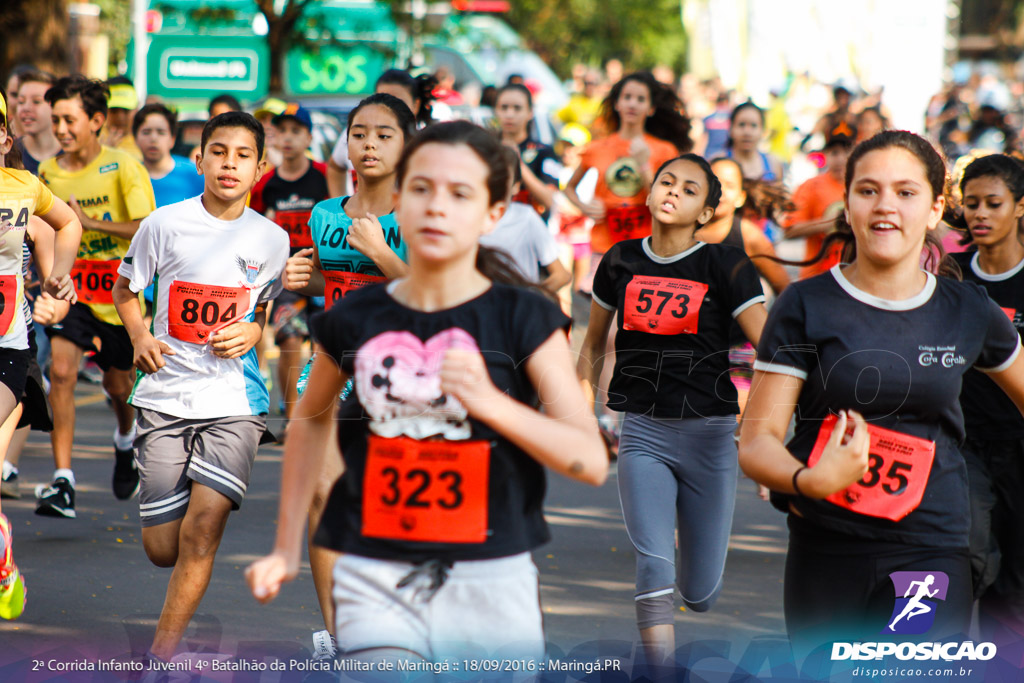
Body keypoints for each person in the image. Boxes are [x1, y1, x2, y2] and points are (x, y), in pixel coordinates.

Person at [246, 120, 607, 663]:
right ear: (397, 200)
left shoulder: (523, 318)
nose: (437, 206)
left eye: (460, 194)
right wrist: (284, 543)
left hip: (492, 578)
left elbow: (588, 459)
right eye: (421, 189)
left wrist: (490, 403)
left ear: (492, 214)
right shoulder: (355, 317)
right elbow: (312, 419)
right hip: (376, 574)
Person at [737, 130, 1024, 658]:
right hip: (826, 543)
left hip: (931, 545)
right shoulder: (805, 305)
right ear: (847, 204)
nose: (885, 205)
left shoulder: (968, 310)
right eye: (868, 190)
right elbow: (757, 442)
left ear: (937, 207)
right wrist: (809, 479)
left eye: (906, 192)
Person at [577, 154, 767, 666]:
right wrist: (578, 417)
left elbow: (772, 351)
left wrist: (760, 433)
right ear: (647, 192)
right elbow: (593, 345)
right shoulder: (618, 261)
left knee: (700, 594)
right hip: (643, 434)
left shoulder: (726, 266)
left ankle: (691, 567)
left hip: (711, 436)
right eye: (666, 182)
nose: (672, 192)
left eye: (689, 190)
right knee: (653, 568)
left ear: (705, 213)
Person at [112, 111, 288, 662]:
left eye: (242, 155)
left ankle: (161, 658)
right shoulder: (163, 224)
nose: (229, 164)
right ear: (201, 159)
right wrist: (140, 333)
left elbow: (264, 308)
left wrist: (255, 329)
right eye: (219, 152)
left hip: (234, 402)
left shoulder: (272, 238)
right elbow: (124, 289)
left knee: (203, 529)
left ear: (261, 168)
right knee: (164, 548)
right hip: (164, 395)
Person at [281, 92, 414, 660]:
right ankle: (340, 641)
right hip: (330, 366)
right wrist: (299, 276)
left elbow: (436, 295)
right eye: (360, 133)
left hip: (403, 375)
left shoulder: (421, 214)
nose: (369, 145)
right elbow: (328, 283)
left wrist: (382, 252)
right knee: (320, 492)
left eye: (385, 135)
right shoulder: (326, 213)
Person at [36, 75, 156, 517]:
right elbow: (43, 231)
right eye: (56, 121)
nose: (61, 129)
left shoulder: (123, 167)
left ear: (97, 120)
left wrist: (93, 224)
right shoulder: (46, 172)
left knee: (117, 386)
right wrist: (51, 278)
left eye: (70, 119)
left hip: (120, 294)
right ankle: (63, 480)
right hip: (74, 290)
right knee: (63, 371)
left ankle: (125, 439)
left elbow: (148, 227)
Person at [0, 86, 83, 620]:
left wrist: (59, 276)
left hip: (5, 343)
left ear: (4, 137)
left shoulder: (23, 186)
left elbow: (68, 222)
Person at [948, 154, 1024, 644]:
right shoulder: (949, 278)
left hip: (1019, 446)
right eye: (971, 203)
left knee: (1014, 585)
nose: (979, 214)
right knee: (966, 559)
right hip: (962, 445)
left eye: (993, 204)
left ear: (1020, 207)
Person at [249, 104, 329, 418]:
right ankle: (292, 416)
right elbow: (254, 225)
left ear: (309, 137)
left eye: (296, 131)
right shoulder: (267, 183)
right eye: (282, 130)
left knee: (326, 348)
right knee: (290, 340)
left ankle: (322, 413)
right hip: (288, 277)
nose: (288, 138)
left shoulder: (324, 177)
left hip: (325, 275)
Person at [698, 157, 789, 415]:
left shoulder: (748, 235)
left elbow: (784, 286)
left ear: (740, 197)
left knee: (728, 423)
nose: (720, 190)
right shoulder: (682, 234)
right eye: (713, 182)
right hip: (691, 347)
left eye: (728, 184)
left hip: (740, 345)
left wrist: (777, 335)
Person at [326, 70, 436, 198]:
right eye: (382, 99)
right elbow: (335, 166)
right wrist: (341, 208)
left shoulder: (428, 145)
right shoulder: (355, 132)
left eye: (398, 102)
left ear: (416, 105)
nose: (389, 108)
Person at [479, 148, 571, 293]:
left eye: (503, 179)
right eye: (491, 177)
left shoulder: (525, 216)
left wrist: (527, 300)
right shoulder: (468, 218)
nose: (495, 185)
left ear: (516, 187)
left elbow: (562, 275)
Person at [782, 122, 856, 279]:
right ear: (826, 154)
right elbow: (789, 230)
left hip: (855, 277)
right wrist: (828, 223)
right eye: (835, 152)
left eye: (847, 152)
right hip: (817, 276)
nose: (841, 159)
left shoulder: (864, 187)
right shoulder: (811, 186)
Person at [495, 83, 562, 218]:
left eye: (517, 108)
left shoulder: (544, 151)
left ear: (530, 112)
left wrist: (516, 161)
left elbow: (550, 201)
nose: (509, 114)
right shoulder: (485, 148)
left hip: (531, 231)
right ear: (496, 110)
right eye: (504, 107)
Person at [719, 101, 784, 183]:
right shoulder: (718, 163)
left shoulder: (774, 164)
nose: (747, 132)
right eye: (741, 124)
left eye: (754, 125)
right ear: (731, 129)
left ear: (763, 131)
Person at [13, 70, 59, 175]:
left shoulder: (71, 153)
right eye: (21, 101)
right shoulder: (9, 153)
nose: (26, 108)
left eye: (36, 101)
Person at [101, 76, 142, 160]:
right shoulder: (92, 140)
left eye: (126, 110)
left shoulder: (145, 141)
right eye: (114, 110)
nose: (120, 117)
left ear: (136, 109)